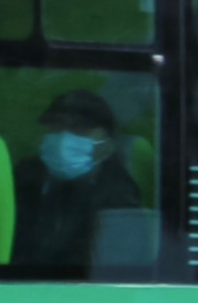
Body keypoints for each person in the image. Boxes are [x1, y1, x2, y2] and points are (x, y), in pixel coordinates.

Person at [9, 88, 147, 273]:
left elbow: (112, 271)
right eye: (57, 127)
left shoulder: (121, 196)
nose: (64, 139)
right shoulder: (26, 176)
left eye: (80, 129)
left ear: (107, 142)